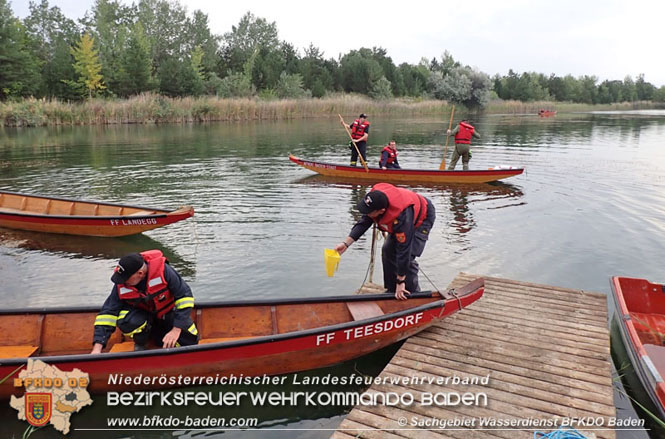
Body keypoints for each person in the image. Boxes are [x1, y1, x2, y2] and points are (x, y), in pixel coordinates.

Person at [334, 183, 435, 300]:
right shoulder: (375, 200)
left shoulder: (401, 217)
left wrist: (400, 281)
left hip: (423, 217)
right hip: (404, 215)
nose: (366, 213)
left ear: (381, 211)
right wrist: (346, 244)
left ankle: (413, 295)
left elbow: (404, 250)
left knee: (408, 256)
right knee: (387, 250)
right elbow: (365, 221)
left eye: (369, 211)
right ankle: (392, 290)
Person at [91, 250, 199, 353]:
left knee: (190, 341)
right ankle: (142, 342)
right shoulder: (122, 282)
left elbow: (185, 297)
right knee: (128, 321)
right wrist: (97, 348)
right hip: (143, 319)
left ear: (140, 273)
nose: (122, 282)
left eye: (125, 279)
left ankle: (161, 336)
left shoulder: (164, 271)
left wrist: (176, 330)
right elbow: (108, 313)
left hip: (167, 314)